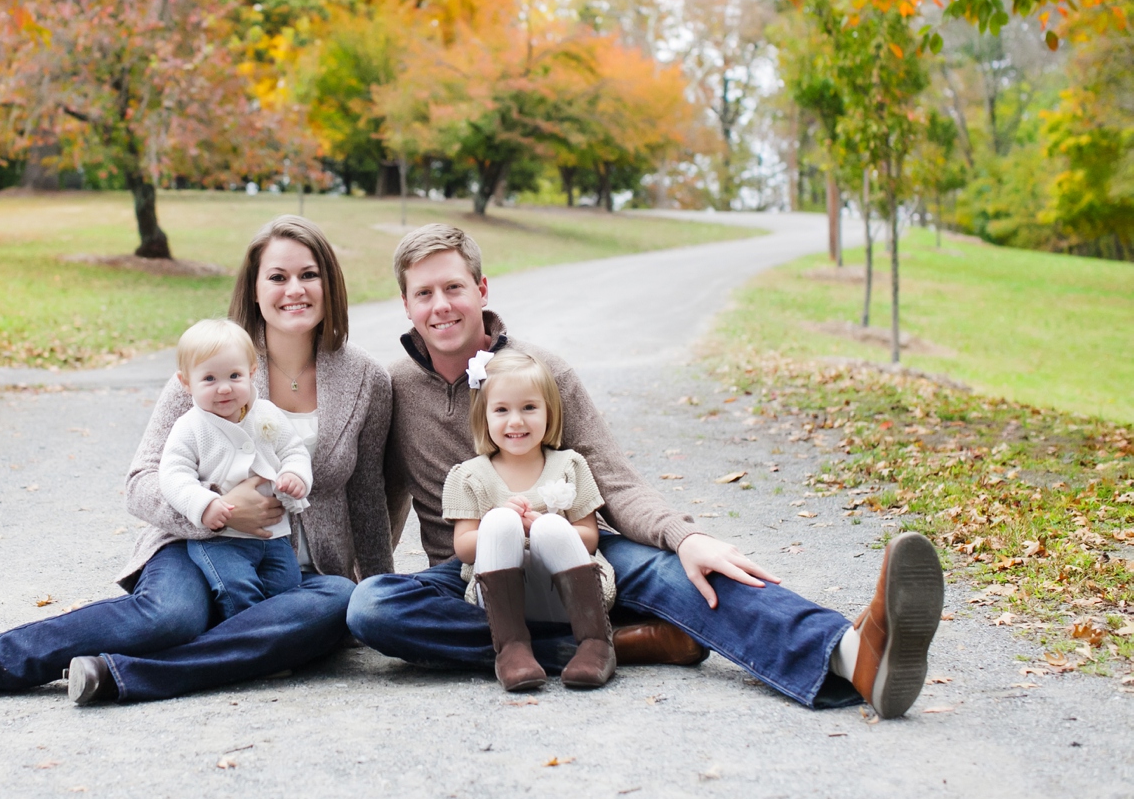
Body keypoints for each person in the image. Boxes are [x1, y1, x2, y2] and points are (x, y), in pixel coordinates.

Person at [347, 224, 944, 719]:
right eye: (423, 293)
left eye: (453, 287)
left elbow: (613, 480)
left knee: (686, 574)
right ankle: (617, 643)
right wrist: (361, 574)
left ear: (480, 288)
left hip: (575, 548)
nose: (440, 305)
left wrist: (685, 536)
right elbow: (379, 498)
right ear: (406, 304)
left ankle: (848, 653)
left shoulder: (541, 374)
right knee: (372, 608)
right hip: (475, 573)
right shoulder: (393, 388)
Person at [0, 216, 394, 706]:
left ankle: (122, 674)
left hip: (297, 577)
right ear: (255, 289)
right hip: (193, 548)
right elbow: (141, 482)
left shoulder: (365, 379)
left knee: (336, 598)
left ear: (330, 282)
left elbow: (368, 498)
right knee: (171, 617)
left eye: (309, 275)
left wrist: (379, 604)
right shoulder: (213, 367)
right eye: (278, 277)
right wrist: (217, 508)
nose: (295, 290)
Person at [445, 348, 617, 692]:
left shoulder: (569, 465)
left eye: (529, 408)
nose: (516, 421)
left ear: (548, 412)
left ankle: (596, 642)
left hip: (567, 597)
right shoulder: (469, 476)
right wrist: (504, 519)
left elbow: (589, 536)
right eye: (502, 410)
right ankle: (512, 648)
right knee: (497, 523)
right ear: (484, 416)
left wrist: (539, 525)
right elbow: (464, 549)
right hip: (502, 603)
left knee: (551, 525)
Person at [161, 318, 312, 620]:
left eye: (234, 375)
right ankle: (249, 648)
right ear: (186, 382)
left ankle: (274, 642)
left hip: (275, 536)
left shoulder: (266, 413)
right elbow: (173, 475)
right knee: (237, 591)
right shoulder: (190, 427)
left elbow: (293, 450)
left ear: (252, 373)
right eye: (209, 379)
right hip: (222, 539)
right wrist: (204, 505)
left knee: (287, 589)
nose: (225, 388)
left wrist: (295, 474)